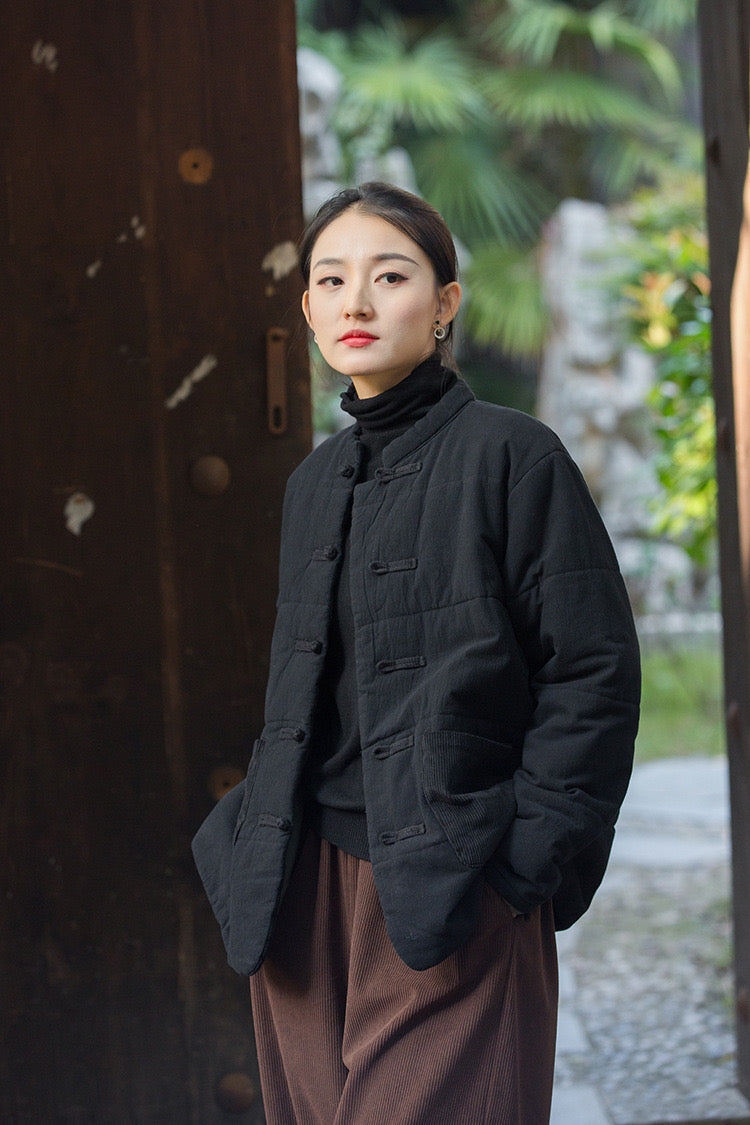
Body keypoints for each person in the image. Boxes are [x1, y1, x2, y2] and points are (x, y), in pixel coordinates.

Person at [193, 182, 641, 1124]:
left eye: (390, 276)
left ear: (445, 303)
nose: (356, 301)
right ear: (307, 308)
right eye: (331, 280)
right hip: (298, 890)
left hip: (455, 881)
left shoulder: (516, 457)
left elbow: (593, 675)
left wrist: (518, 868)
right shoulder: (314, 481)